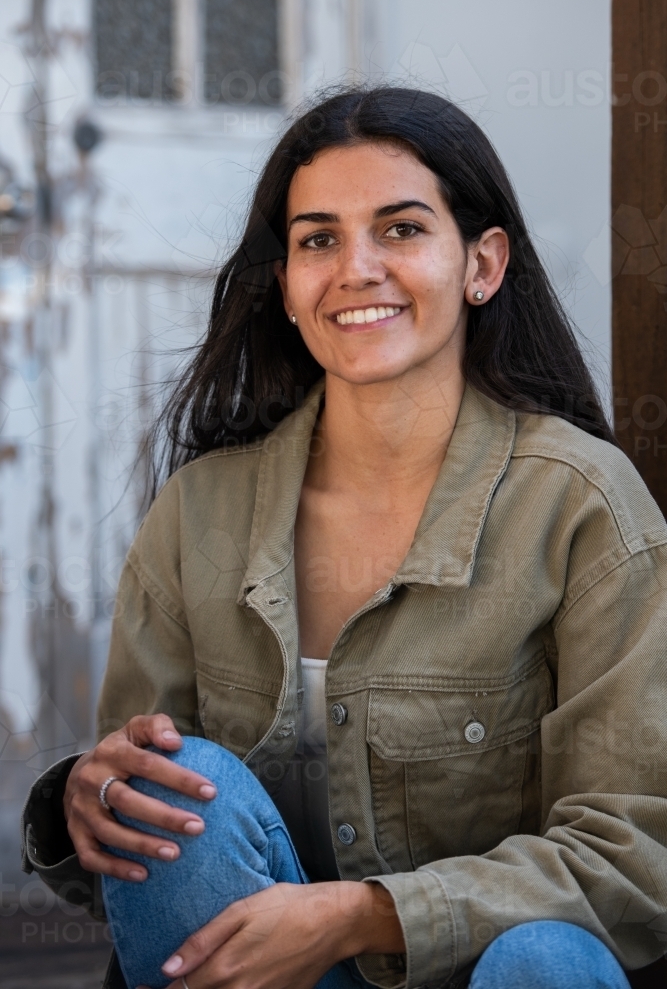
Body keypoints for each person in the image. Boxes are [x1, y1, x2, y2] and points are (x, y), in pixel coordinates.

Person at [21, 87, 667, 989]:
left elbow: (637, 860)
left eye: (400, 229)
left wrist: (361, 916)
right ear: (285, 285)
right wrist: (92, 798)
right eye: (317, 239)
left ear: (482, 265)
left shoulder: (583, 510)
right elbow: (147, 861)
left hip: (489, 971)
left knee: (544, 958)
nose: (355, 267)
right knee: (168, 784)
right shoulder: (199, 513)